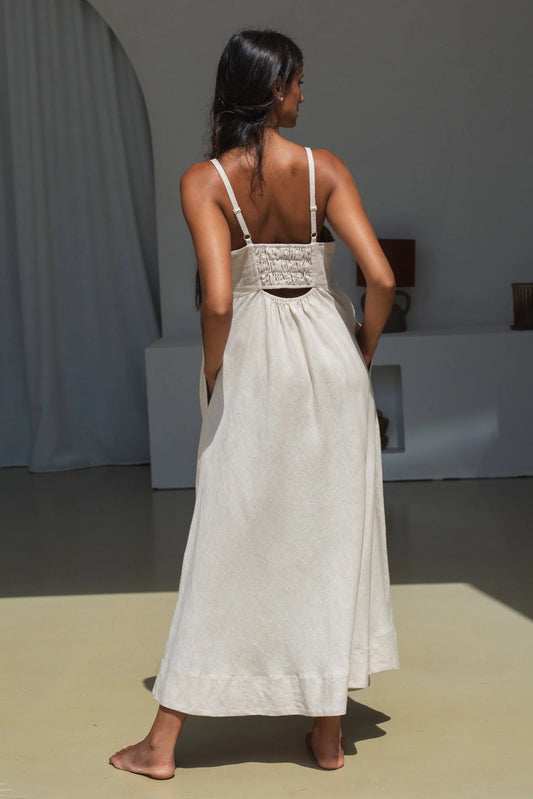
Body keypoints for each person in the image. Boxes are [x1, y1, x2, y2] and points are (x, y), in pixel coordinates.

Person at [109, 27, 399, 780]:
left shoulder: (202, 181)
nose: (304, 94)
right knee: (331, 538)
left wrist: (215, 377)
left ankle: (162, 744)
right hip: (330, 364)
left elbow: (216, 299)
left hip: (255, 364)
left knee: (225, 540)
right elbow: (381, 281)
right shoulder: (323, 168)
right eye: (299, 82)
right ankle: (327, 735)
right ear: (273, 89)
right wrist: (357, 358)